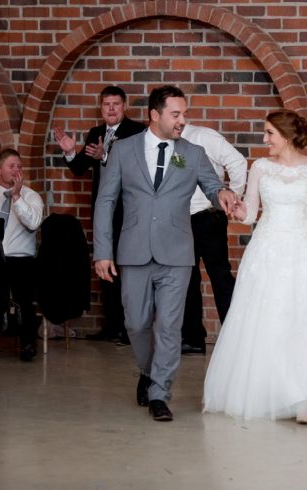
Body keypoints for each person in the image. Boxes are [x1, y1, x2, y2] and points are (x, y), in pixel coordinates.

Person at [202, 110, 307, 424]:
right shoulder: (261, 167)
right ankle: (271, 392)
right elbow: (251, 214)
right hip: (267, 251)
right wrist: (237, 210)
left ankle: (304, 397)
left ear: (287, 136)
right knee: (269, 320)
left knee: (304, 320)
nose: (265, 139)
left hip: (305, 249)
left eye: (269, 133)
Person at [93, 85, 239, 422]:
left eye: (184, 114)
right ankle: (148, 370)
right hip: (134, 251)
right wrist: (102, 251)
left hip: (176, 253)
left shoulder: (192, 152)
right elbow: (106, 201)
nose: (182, 120)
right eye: (176, 114)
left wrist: (223, 195)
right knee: (136, 323)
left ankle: (160, 393)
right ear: (154, 115)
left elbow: (212, 186)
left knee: (170, 327)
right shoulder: (123, 150)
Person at [54, 85, 146, 346]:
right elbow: (80, 168)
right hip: (104, 212)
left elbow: (138, 167)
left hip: (130, 211)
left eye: (116, 104)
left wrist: (105, 155)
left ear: (124, 106)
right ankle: (112, 326)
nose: (111, 109)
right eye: (107, 104)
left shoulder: (137, 131)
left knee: (129, 269)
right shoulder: (96, 133)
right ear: (101, 107)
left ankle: (130, 330)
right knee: (106, 267)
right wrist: (70, 152)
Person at [179, 123, 247, 355]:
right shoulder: (167, 143)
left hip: (208, 217)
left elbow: (237, 162)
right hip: (181, 221)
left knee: (220, 277)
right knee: (187, 280)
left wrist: (232, 199)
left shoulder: (203, 136)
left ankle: (235, 339)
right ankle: (193, 339)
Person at [0, 148, 44, 361]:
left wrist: (16, 197)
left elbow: (33, 223)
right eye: (11, 166)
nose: (17, 170)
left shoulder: (30, 196)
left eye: (19, 166)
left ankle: (25, 340)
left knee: (21, 291)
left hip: (21, 259)